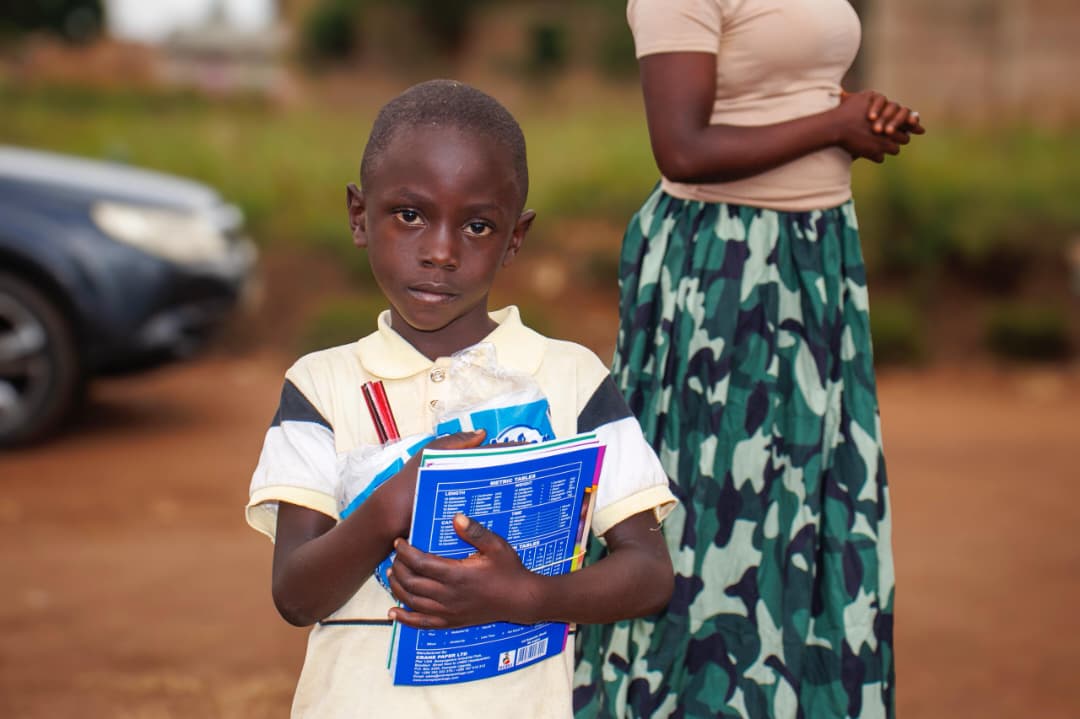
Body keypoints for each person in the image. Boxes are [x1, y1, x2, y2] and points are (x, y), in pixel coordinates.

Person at [245, 79, 678, 719]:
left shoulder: (572, 379)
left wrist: (527, 595)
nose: (441, 252)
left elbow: (649, 574)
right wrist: (394, 501)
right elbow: (296, 595)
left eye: (477, 226)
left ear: (515, 238)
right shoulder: (322, 386)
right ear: (360, 216)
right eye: (410, 215)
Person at [573, 2, 925, 718]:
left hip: (814, 253)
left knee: (807, 495)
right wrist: (834, 124)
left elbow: (782, 83)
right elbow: (681, 147)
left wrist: (857, 113)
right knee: (715, 503)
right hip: (728, 265)